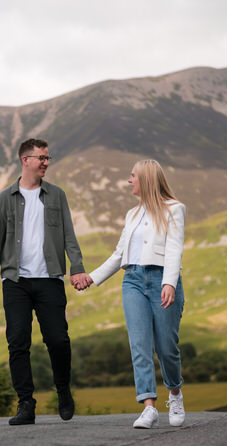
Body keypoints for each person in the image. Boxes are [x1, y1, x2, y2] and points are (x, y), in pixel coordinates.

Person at [0, 138, 90, 425]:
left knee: (57, 340)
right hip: (15, 280)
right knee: (17, 342)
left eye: (47, 157)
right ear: (25, 160)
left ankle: (63, 391)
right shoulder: (4, 199)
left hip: (50, 278)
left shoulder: (56, 195)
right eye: (40, 157)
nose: (46, 162)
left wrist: (77, 268)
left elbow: (69, 235)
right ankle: (26, 404)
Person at [80, 159, 186, 429]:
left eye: (132, 176)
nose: (129, 180)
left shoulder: (175, 209)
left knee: (166, 347)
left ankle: (174, 394)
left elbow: (174, 249)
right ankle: (148, 407)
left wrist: (170, 282)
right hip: (133, 281)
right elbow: (120, 255)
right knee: (139, 345)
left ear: (147, 179)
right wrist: (91, 278)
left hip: (163, 279)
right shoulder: (132, 214)